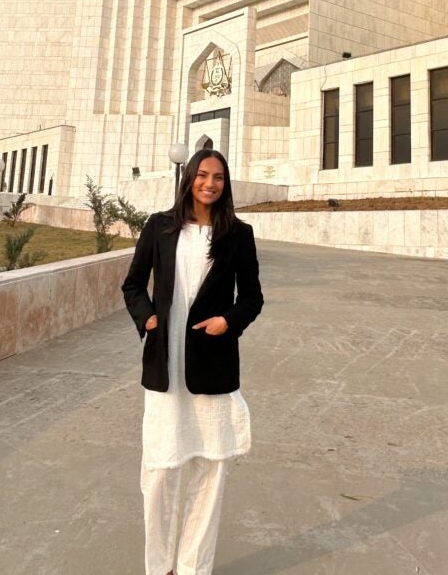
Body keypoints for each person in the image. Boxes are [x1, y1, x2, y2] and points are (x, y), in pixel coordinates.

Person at [122, 148, 263, 575]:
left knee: (211, 469)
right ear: (189, 179)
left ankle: (192, 568)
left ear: (226, 183)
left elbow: (253, 297)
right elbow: (132, 284)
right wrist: (147, 318)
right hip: (165, 366)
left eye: (218, 177)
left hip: (212, 366)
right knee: (161, 470)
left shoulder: (238, 234)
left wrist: (228, 320)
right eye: (203, 175)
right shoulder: (161, 227)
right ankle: (160, 565)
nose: (210, 184)